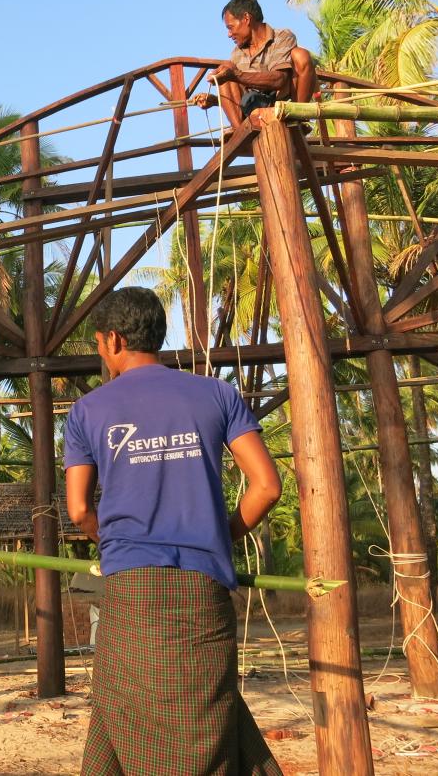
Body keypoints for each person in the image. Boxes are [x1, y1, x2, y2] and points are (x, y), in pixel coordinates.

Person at [64, 287, 283, 776]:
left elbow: (79, 510)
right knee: (206, 709)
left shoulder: (88, 411)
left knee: (126, 709)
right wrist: (218, 536)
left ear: (114, 339)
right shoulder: (217, 394)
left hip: (131, 590)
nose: (101, 352)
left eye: (99, 343)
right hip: (202, 590)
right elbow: (267, 486)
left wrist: (114, 541)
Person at [195, 0, 316, 124]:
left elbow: (279, 80)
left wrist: (236, 75)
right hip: (255, 111)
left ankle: (297, 118)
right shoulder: (237, 53)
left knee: (301, 55)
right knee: (226, 69)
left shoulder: (282, 36)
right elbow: (246, 95)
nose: (229, 34)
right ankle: (240, 133)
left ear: (246, 18)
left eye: (230, 27)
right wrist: (215, 100)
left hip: (284, 103)